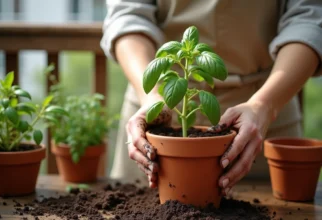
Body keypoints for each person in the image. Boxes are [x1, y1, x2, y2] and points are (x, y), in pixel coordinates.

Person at [101, 0, 322, 195]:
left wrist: (264, 105)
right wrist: (152, 96)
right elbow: (128, 14)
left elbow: (309, 19)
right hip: (155, 105)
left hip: (264, 111)